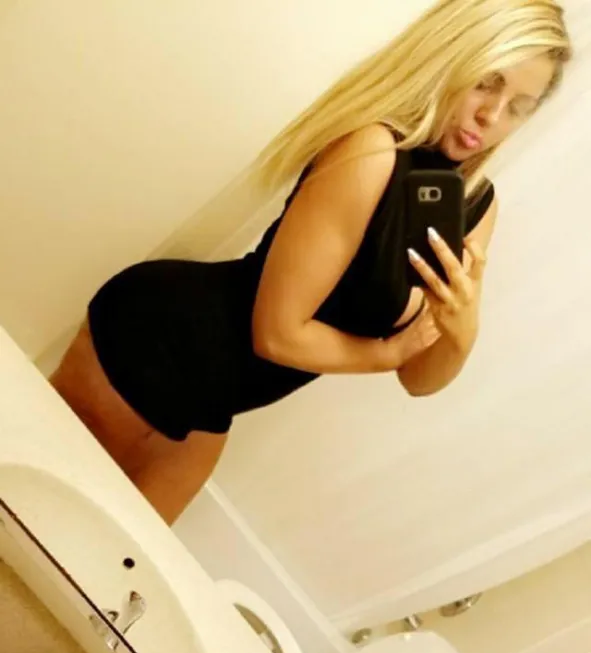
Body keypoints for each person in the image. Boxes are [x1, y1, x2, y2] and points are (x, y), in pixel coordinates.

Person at [50, 0, 572, 525]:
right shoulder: (371, 151)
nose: (492, 115)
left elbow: (419, 380)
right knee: (45, 521)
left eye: (519, 106)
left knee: (99, 563)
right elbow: (277, 336)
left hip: (216, 397)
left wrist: (462, 331)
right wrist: (387, 352)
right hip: (160, 338)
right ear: (450, 57)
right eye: (486, 82)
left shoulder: (477, 204)